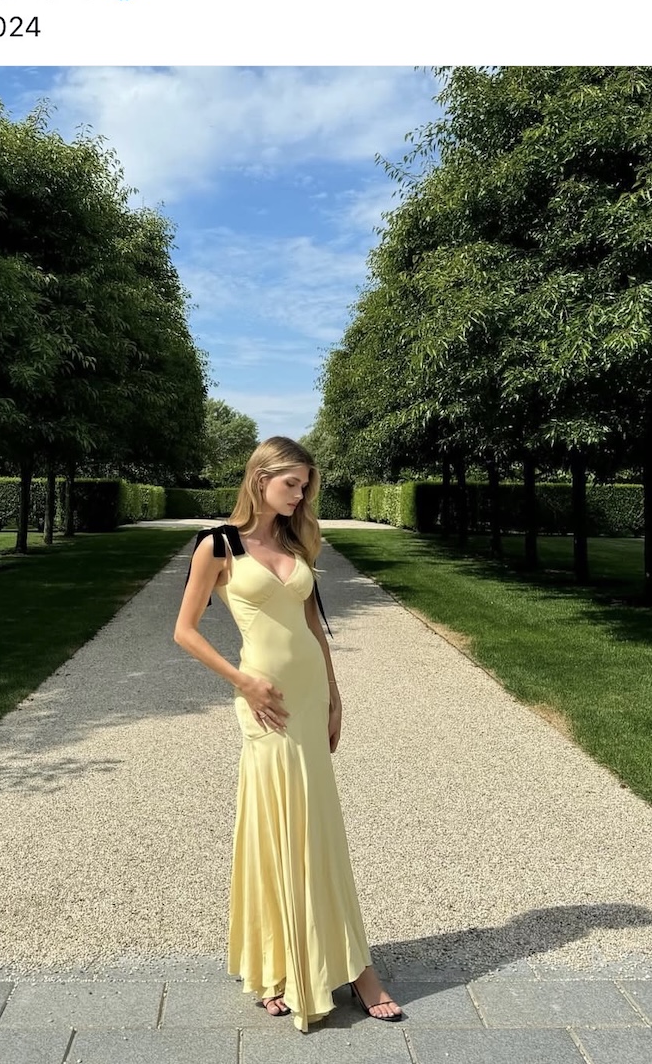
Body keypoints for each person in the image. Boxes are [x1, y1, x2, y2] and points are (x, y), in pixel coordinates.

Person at [174, 436, 403, 1032]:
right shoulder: (218, 544)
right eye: (291, 484)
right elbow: (185, 631)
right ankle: (276, 963)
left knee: (319, 825)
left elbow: (313, 626)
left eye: (305, 486)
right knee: (278, 825)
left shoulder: (297, 542)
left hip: (308, 695)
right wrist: (243, 681)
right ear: (260, 479)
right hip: (265, 702)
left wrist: (334, 694)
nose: (300, 495)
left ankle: (356, 968)